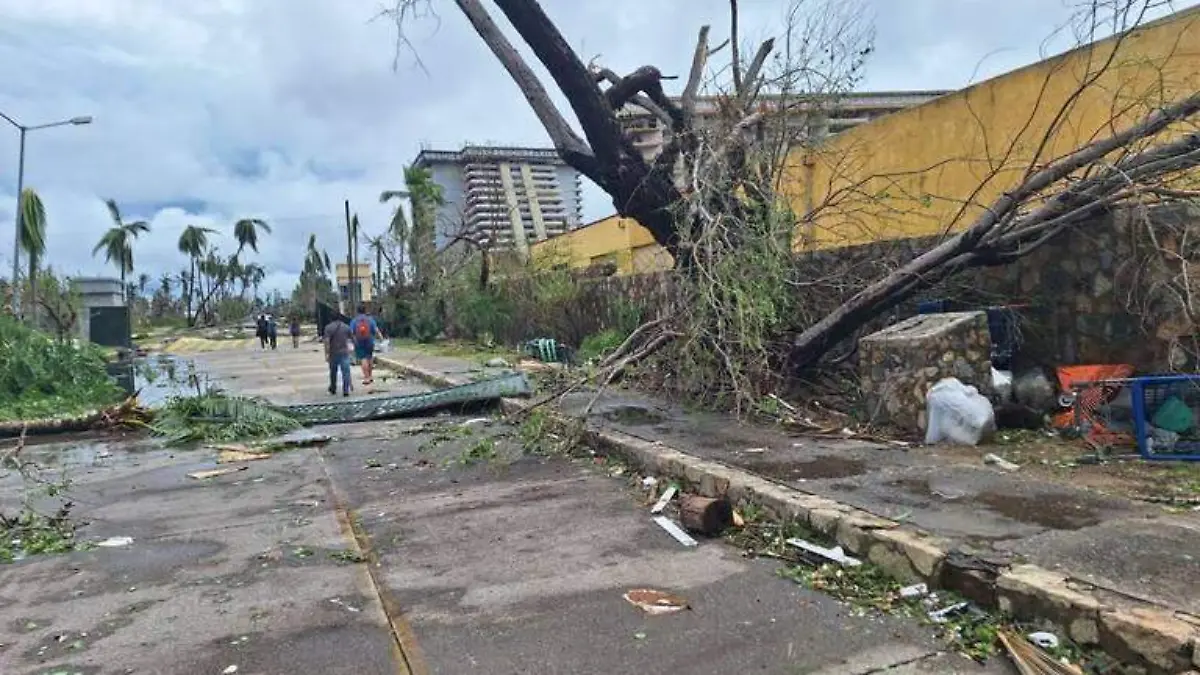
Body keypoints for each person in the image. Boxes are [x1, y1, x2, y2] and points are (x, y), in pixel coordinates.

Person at [349, 303, 384, 385]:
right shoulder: (370, 320)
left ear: (357, 311)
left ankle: (367, 377)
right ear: (365, 311)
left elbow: (351, 332)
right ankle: (370, 376)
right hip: (370, 341)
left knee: (363, 359)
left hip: (359, 341)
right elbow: (376, 330)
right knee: (370, 358)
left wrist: (352, 341)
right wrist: (381, 339)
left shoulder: (354, 320)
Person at [323, 316, 353, 396]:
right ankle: (346, 390)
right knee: (346, 372)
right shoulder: (346, 327)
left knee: (333, 372)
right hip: (344, 352)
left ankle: (333, 388)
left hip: (333, 353)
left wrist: (327, 353)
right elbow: (352, 338)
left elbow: (327, 342)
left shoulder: (328, 328)